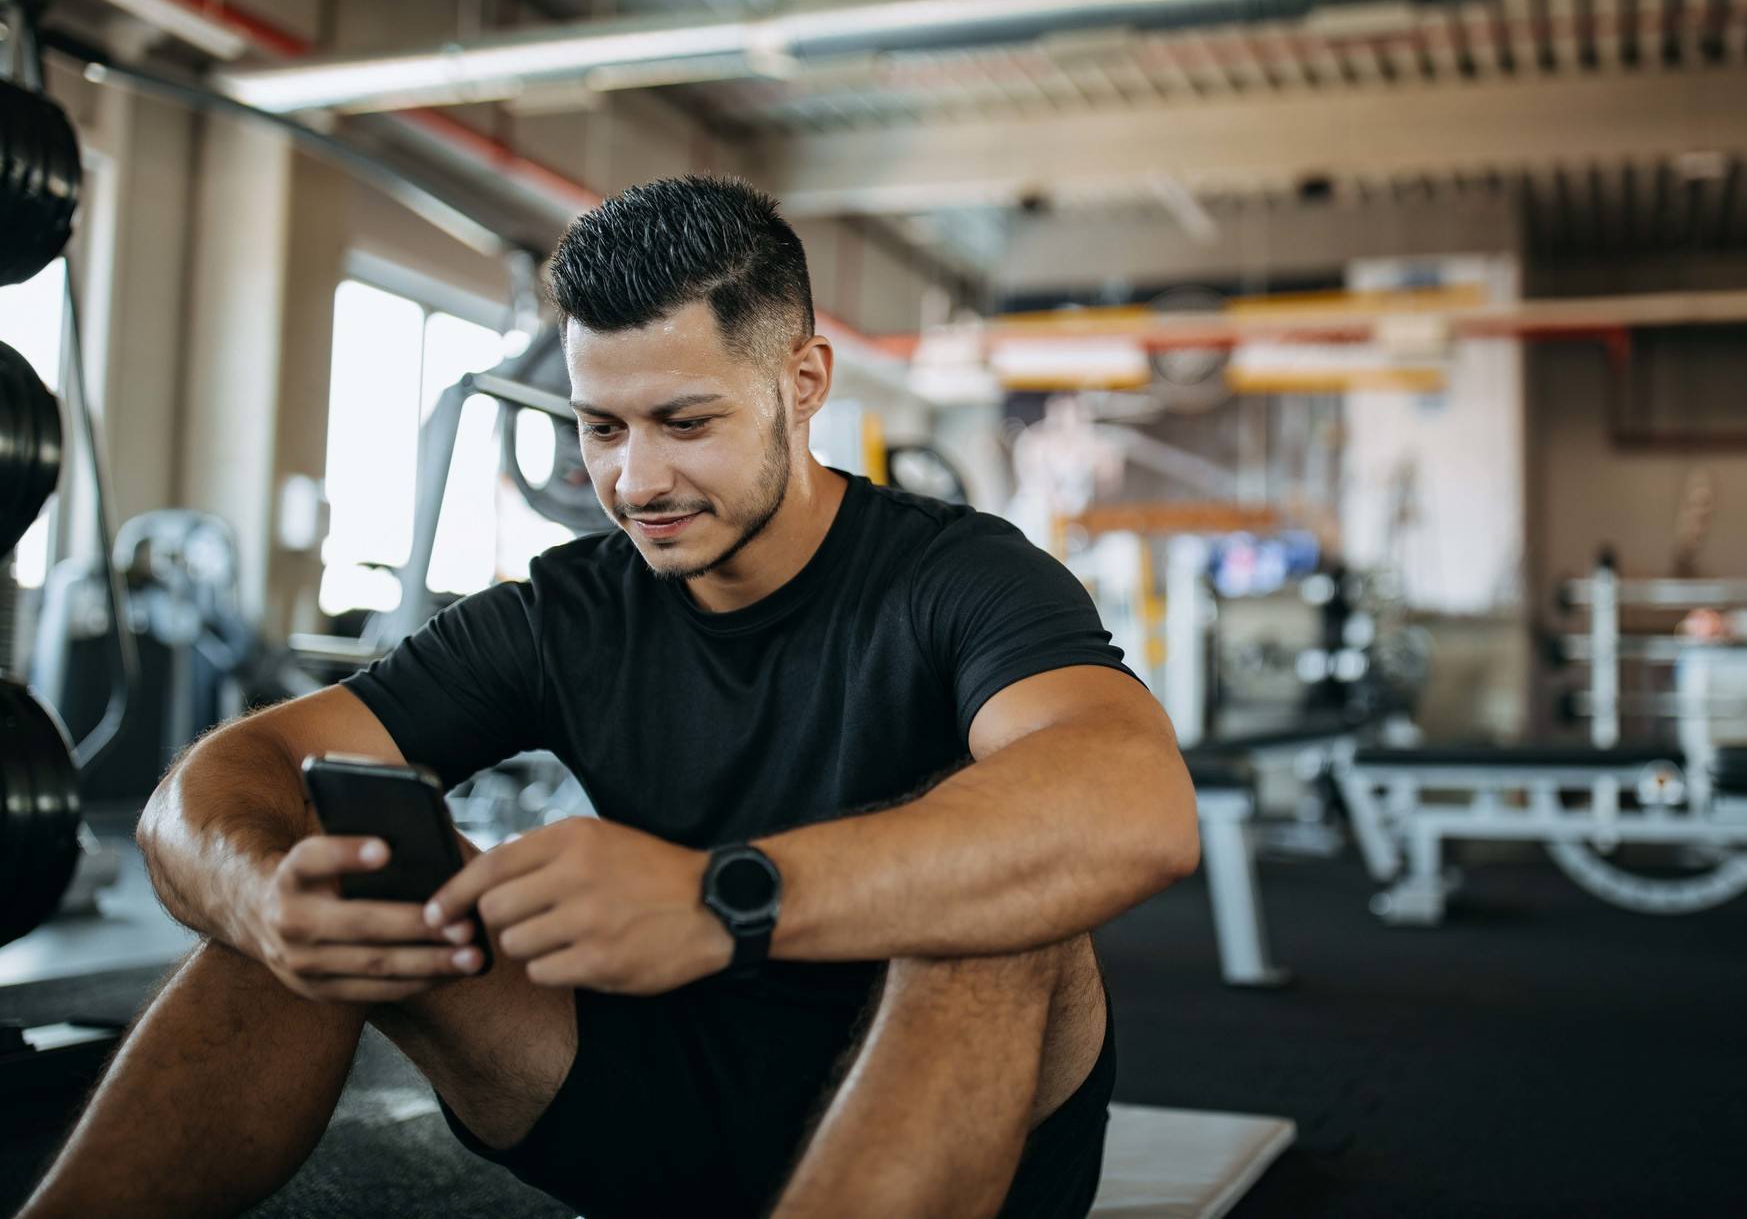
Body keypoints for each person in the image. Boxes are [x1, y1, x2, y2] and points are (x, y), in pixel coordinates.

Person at [17, 176, 1199, 1219]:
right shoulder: (564, 608)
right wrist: (263, 895)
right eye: (600, 427)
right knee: (333, 883)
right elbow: (219, 783)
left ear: (802, 382)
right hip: (657, 1110)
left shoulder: (959, 574)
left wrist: (729, 896)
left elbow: (1132, 801)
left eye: (685, 423)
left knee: (994, 917)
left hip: (952, 1142)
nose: (634, 479)